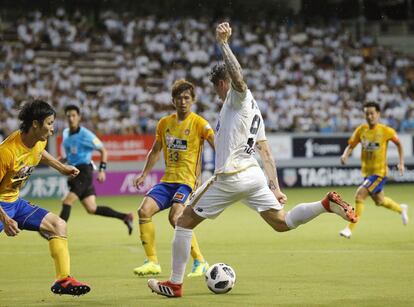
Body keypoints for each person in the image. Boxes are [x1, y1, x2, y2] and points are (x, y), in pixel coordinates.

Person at [147, 22, 357, 298]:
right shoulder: (254, 110)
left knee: (183, 220)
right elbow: (266, 151)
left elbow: (239, 79)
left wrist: (223, 44)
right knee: (282, 222)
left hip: (231, 176)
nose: (216, 92)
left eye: (216, 87)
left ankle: (174, 284)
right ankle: (324, 204)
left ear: (222, 83)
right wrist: (276, 186)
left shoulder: (237, 97)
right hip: (254, 176)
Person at [0, 100, 90, 296]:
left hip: (16, 203)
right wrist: (5, 219)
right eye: (49, 123)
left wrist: (61, 168)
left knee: (58, 225)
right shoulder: (6, 152)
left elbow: (40, 153)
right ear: (35, 124)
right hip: (1, 206)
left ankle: (63, 280)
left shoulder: (39, 141)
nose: (52, 128)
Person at [133, 79, 215, 277]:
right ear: (173, 101)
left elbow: (216, 143)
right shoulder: (164, 123)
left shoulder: (200, 124)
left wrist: (221, 168)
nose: (183, 101)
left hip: (187, 182)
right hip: (167, 181)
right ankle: (152, 262)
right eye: (179, 98)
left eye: (187, 98)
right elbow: (155, 151)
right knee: (144, 211)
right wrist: (144, 173)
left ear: (193, 100)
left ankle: (200, 261)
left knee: (176, 218)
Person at [59, 105, 133, 234]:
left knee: (67, 201)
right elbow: (72, 153)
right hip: (73, 171)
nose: (71, 118)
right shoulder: (65, 133)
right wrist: (64, 159)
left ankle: (56, 229)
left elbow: (103, 150)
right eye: (68, 116)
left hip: (83, 171)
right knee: (91, 208)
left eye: (73, 115)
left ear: (79, 117)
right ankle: (125, 216)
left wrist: (102, 170)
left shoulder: (86, 134)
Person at [339, 101, 409, 239]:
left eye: (372, 113)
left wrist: (401, 163)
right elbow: (351, 145)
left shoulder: (385, 131)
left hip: (380, 172)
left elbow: (399, 144)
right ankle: (402, 209)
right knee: (379, 201)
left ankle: (349, 228)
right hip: (367, 173)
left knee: (360, 195)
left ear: (378, 114)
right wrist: (345, 154)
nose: (369, 116)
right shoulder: (361, 130)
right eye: (367, 114)